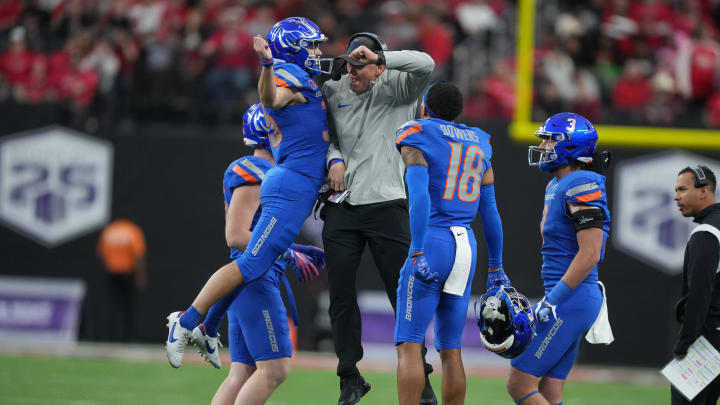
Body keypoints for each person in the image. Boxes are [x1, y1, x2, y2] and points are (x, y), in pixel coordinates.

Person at [165, 16, 330, 372]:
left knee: (252, 266)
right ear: (292, 50)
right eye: (312, 45)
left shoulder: (307, 81)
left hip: (298, 184)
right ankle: (187, 320)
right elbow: (271, 96)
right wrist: (268, 63)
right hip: (292, 184)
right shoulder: (289, 74)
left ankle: (205, 325)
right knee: (251, 262)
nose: (318, 52)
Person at [321, 32, 438, 405]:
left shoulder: (401, 87)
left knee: (403, 296)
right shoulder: (334, 90)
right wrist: (333, 157)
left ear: (379, 64)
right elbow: (325, 136)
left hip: (388, 203)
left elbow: (426, 63)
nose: (351, 71)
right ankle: (349, 376)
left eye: (360, 65)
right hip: (342, 204)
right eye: (350, 64)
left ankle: (421, 382)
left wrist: (380, 55)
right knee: (339, 294)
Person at [191, 104, 322, 405]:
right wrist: (287, 253)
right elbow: (236, 235)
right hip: (256, 278)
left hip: (252, 278)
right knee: (274, 369)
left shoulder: (270, 171)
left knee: (243, 372)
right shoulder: (256, 172)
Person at [393, 81, 509, 405]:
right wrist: (497, 265)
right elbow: (490, 212)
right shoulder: (480, 142)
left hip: (433, 239)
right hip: (466, 246)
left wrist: (417, 248)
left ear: (426, 107)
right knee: (451, 348)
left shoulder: (418, 132)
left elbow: (418, 196)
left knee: (410, 344)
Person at [507, 113, 611, 405]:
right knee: (550, 391)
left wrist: (554, 299)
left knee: (519, 384)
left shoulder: (582, 182)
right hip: (567, 295)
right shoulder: (556, 185)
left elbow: (591, 253)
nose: (543, 146)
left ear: (570, 146)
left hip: (571, 298)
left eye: (550, 139)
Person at [672, 165, 720, 405]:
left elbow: (700, 292)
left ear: (704, 191)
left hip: (707, 341)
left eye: (682, 189)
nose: (676, 197)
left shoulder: (707, 232)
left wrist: (686, 340)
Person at [97, 217, 147, 341]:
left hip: (112, 272)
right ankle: (127, 336)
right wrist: (141, 276)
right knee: (127, 306)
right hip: (127, 272)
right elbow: (139, 255)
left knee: (112, 304)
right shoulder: (132, 230)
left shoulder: (110, 230)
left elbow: (101, 253)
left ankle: (110, 335)